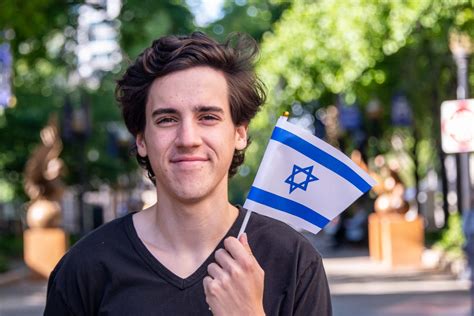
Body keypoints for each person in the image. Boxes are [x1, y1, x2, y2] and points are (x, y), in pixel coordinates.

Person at [44, 32, 332, 315]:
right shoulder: (84, 268)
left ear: (239, 133)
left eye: (208, 117)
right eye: (167, 119)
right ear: (141, 140)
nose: (188, 138)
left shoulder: (294, 260)